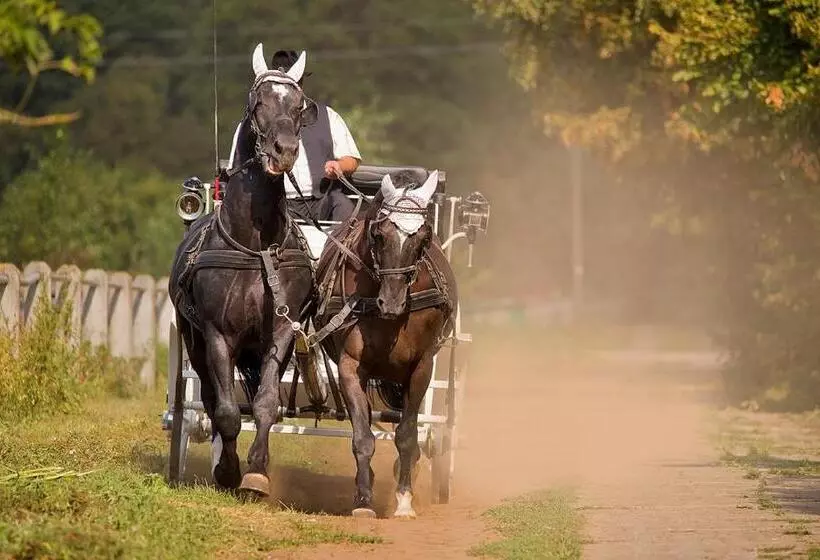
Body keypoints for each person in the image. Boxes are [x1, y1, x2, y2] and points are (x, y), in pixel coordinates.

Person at [269, 49, 361, 223]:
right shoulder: (259, 120)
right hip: (276, 203)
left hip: (323, 201)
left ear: (301, 83)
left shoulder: (327, 116)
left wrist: (339, 166)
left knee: (344, 206)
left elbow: (352, 160)